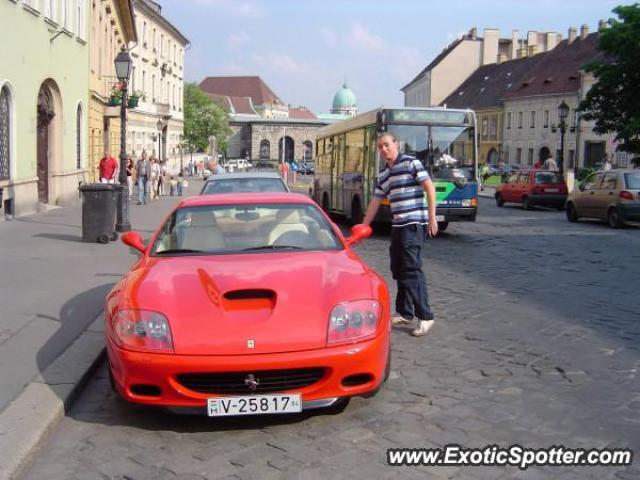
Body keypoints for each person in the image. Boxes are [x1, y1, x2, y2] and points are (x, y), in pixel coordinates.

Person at [362, 132, 438, 337]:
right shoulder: (384, 175)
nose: (384, 149)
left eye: (387, 144)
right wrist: (363, 227)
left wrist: (432, 217)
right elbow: (375, 202)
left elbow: (429, 187)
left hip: (413, 225)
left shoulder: (411, 163)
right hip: (398, 227)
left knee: (411, 269)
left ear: (396, 144)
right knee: (398, 268)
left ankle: (426, 315)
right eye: (380, 146)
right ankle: (405, 312)